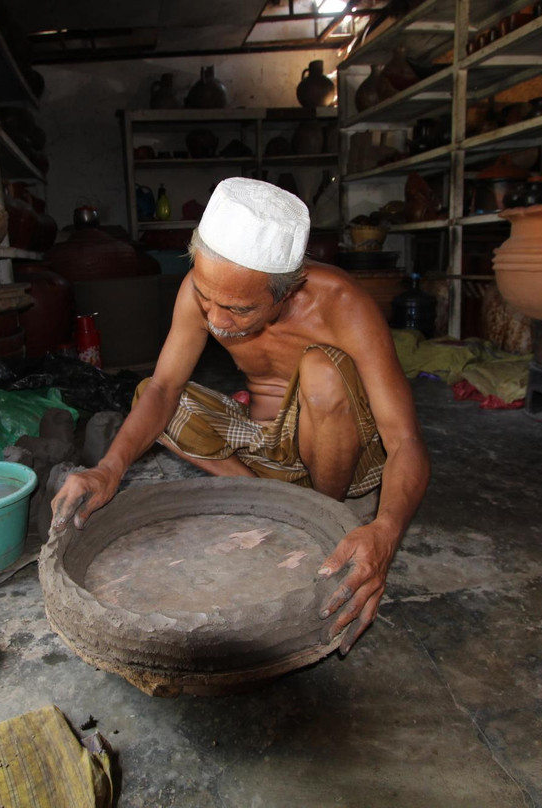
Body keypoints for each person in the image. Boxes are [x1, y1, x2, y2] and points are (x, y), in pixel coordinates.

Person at [52, 177, 430, 654]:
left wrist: (386, 531)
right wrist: (109, 468)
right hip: (264, 452)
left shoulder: (342, 304)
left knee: (322, 373)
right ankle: (270, 499)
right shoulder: (202, 291)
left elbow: (406, 441)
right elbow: (167, 387)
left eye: (238, 308)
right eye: (207, 298)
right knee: (156, 394)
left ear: (289, 292)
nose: (216, 319)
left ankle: (324, 515)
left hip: (342, 454)